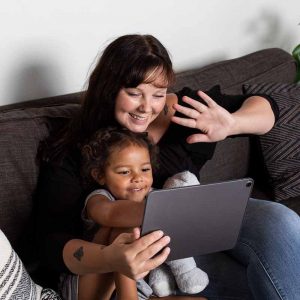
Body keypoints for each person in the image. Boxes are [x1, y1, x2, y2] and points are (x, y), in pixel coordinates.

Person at [30, 34, 300, 300]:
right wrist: (111, 257)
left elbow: (271, 108)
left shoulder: (186, 111)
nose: (147, 108)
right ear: (108, 90)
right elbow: (49, 244)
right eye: (134, 93)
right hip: (135, 260)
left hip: (195, 235)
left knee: (278, 220)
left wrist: (232, 122)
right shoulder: (77, 148)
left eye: (158, 94)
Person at [74, 127, 208, 299]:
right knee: (127, 229)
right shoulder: (99, 198)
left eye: (145, 169)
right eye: (124, 172)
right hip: (92, 288)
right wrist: (167, 210)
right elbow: (110, 214)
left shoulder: (153, 194)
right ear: (100, 175)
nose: (138, 178)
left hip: (141, 287)